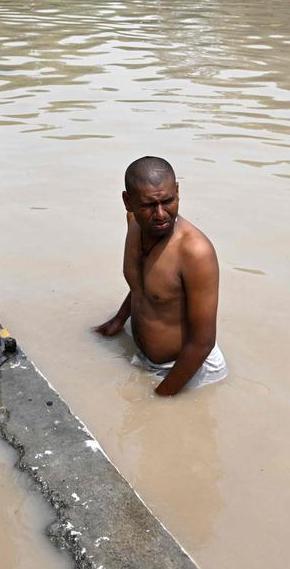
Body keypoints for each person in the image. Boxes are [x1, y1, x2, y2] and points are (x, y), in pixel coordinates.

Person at [94, 157, 227, 396]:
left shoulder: (195, 252)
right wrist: (118, 320)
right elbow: (144, 285)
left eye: (168, 201)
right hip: (146, 362)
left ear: (177, 191)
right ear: (128, 202)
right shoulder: (134, 223)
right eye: (148, 205)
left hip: (189, 372)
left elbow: (202, 343)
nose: (160, 214)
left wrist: (161, 396)